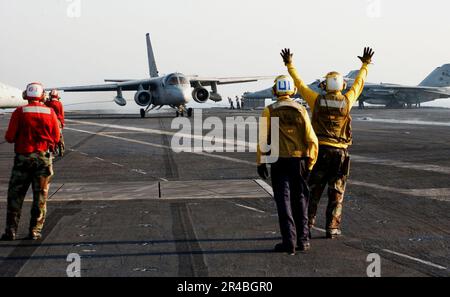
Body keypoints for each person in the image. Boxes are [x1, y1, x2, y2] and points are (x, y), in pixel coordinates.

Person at [281, 47, 374, 239]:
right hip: (341, 153)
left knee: (312, 192)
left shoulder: (316, 100)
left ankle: (307, 226)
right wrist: (365, 65)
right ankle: (332, 228)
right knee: (336, 193)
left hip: (320, 152)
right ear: (341, 85)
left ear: (325, 85)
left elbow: (299, 84)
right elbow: (359, 83)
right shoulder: (347, 101)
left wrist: (289, 64)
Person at [257, 75, 318, 254]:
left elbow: (262, 140)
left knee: (283, 201)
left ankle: (288, 241)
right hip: (299, 161)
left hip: (277, 161)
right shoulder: (301, 110)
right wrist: (311, 163)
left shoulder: (269, 110)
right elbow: (312, 139)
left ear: (275, 91)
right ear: (293, 91)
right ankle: (303, 240)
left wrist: (260, 162)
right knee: (300, 200)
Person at [1, 82, 60, 241]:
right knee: (40, 196)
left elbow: (10, 137)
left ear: (26, 96)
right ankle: (35, 231)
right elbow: (55, 137)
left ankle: (11, 231)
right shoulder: (50, 112)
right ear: (42, 96)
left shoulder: (19, 112)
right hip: (43, 159)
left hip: (22, 159)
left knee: (15, 196)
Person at [45, 89, 65, 157]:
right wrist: (62, 123)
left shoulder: (47, 103)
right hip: (58, 122)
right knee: (59, 136)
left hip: (49, 122)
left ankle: (51, 151)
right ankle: (61, 147)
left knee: (49, 137)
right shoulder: (59, 103)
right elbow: (62, 114)